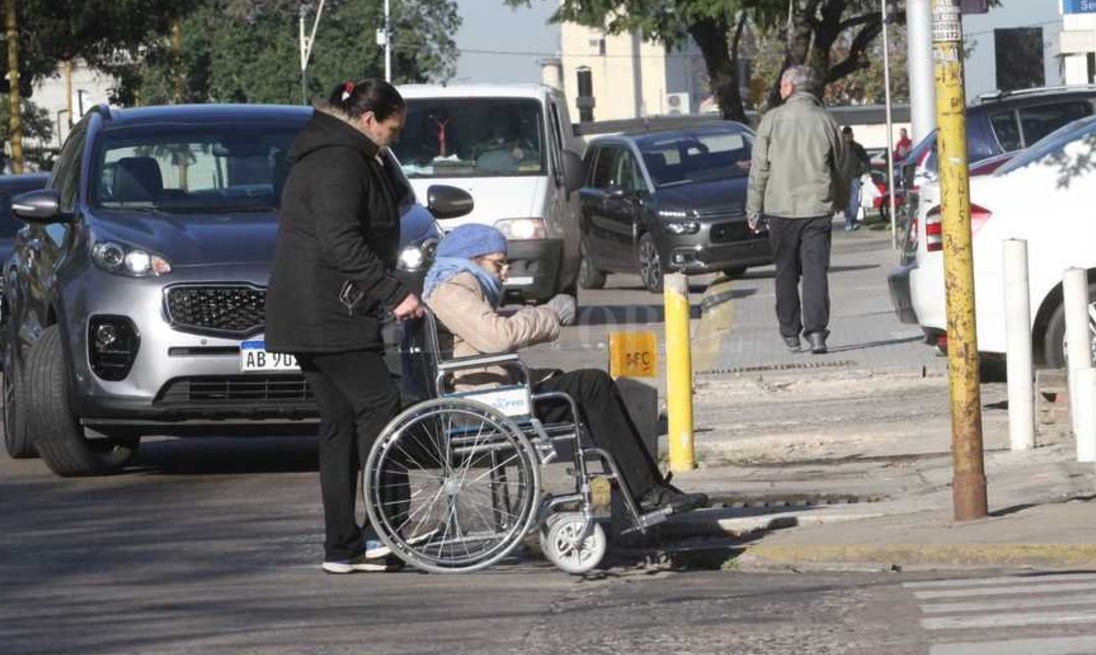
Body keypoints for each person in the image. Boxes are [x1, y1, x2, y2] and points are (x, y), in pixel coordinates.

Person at [423, 224, 708, 515]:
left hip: (493, 395)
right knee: (592, 386)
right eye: (499, 264)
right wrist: (548, 314)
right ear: (471, 258)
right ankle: (644, 492)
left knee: (587, 387)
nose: (505, 273)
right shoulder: (450, 290)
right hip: (482, 405)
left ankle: (646, 487)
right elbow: (498, 336)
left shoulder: (462, 288)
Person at [265, 79, 421, 575]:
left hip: (311, 311)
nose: (395, 139)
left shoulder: (336, 154)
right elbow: (341, 242)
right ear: (369, 119)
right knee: (380, 407)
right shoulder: (340, 161)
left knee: (338, 423)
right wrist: (395, 293)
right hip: (330, 313)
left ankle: (342, 546)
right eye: (393, 129)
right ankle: (384, 533)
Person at [746, 65, 848, 356]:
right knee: (816, 272)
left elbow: (759, 169)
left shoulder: (771, 120)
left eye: (781, 85)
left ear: (790, 88)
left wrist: (754, 209)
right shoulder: (826, 121)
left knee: (785, 272)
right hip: (817, 207)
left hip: (780, 209)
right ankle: (816, 333)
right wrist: (840, 201)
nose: (780, 90)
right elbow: (842, 167)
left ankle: (790, 333)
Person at [841, 126, 871, 232]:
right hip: (843, 177)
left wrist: (866, 171)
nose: (848, 138)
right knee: (846, 200)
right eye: (846, 136)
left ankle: (852, 219)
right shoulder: (839, 148)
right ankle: (849, 220)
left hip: (855, 176)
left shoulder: (857, 147)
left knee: (854, 199)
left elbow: (866, 159)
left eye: (850, 136)